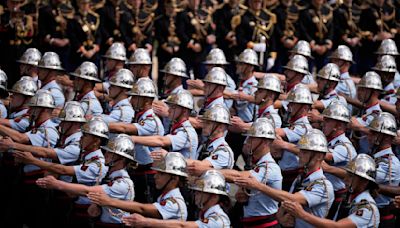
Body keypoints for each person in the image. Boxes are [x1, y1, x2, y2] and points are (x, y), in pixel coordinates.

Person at [13, 116, 109, 228]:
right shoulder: (85, 156)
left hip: (84, 212)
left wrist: (33, 161)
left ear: (96, 141)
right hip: (72, 206)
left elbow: (63, 170)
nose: (81, 138)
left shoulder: (97, 163)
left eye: (85, 136)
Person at [235, 129, 334, 228]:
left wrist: (259, 186)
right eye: (300, 151)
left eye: (304, 152)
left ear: (319, 156)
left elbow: (293, 199)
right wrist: (281, 218)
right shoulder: (301, 179)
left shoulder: (323, 185)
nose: (299, 155)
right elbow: (286, 204)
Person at [36, 134, 136, 228]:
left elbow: (88, 191)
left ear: (122, 160)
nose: (106, 155)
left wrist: (57, 184)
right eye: (107, 151)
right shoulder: (110, 176)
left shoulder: (123, 184)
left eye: (111, 153)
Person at [0, 90, 59, 228]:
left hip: (37, 183)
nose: (30, 111)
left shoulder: (47, 129)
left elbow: (21, 139)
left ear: (43, 110)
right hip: (27, 179)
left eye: (33, 108)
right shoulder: (36, 128)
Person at [282, 154, 380, 228]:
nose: (345, 180)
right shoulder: (350, 197)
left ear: (364, 182)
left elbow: (337, 226)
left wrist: (302, 215)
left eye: (351, 177)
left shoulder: (367, 208)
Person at [88, 152, 188, 221]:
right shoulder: (165, 198)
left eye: (161, 174)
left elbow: (142, 208)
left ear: (174, 179)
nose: (155, 176)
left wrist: (110, 201)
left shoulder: (174, 203)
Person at [109, 78, 164, 203]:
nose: (131, 101)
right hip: (138, 171)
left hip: (147, 174)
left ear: (145, 100)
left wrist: (100, 123)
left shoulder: (151, 121)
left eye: (135, 97)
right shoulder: (140, 117)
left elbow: (125, 128)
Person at [220, 118, 282, 227]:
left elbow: (241, 177)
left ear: (265, 142)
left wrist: (209, 172)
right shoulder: (258, 164)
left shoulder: (269, 167)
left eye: (252, 138)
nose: (247, 142)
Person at [121, 170, 230, 228]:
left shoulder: (218, 219)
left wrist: (145, 222)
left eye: (201, 192)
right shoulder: (208, 215)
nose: (196, 194)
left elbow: (182, 226)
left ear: (215, 196)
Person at [132, 90, 198, 159]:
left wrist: (133, 139)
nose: (169, 110)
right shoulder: (178, 127)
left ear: (184, 111)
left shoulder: (186, 133)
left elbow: (161, 141)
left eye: (173, 107)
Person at [319, 102, 357, 219]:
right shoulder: (330, 141)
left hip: (337, 196)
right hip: (326, 193)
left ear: (339, 126)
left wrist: (288, 146)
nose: (323, 123)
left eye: (328, 121)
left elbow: (326, 156)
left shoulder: (344, 146)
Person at [274, 84, 313, 190]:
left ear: (304, 108)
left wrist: (247, 125)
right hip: (285, 172)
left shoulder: (302, 127)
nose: (289, 108)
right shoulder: (295, 124)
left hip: (292, 174)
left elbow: (276, 131)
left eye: (293, 104)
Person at [366, 112, 400, 227]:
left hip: (381, 218)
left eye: (373, 133)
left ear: (385, 137)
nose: (368, 136)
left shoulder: (390, 162)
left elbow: (364, 177)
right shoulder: (375, 156)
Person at [329, 45, 357, 112]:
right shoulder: (342, 79)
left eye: (336, 60)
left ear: (346, 63)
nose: (333, 62)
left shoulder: (344, 83)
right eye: (333, 60)